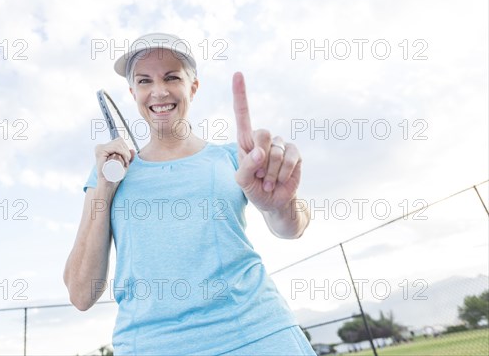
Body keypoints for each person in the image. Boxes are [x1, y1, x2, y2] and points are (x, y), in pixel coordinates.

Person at [64, 33, 316, 355]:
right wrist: (104, 188)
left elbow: (291, 227)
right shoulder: (108, 174)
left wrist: (282, 205)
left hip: (260, 336)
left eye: (171, 77)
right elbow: (81, 293)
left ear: (192, 87)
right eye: (144, 81)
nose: (159, 91)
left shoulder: (235, 158)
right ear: (133, 93)